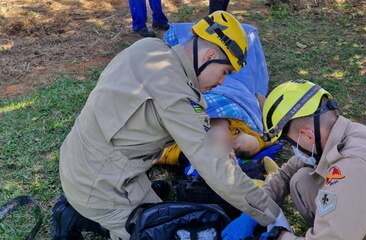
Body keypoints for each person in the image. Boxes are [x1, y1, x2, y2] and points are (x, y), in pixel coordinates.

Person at [59, 11, 287, 240]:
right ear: (208, 56)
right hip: (100, 186)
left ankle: (94, 207)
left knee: (161, 211)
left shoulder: (148, 47)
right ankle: (88, 214)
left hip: (77, 159)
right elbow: (215, 167)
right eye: (225, 72)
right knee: (163, 232)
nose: (222, 82)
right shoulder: (177, 96)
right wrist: (272, 215)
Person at [222, 80, 366, 240]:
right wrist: (254, 211)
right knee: (301, 179)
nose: (293, 149)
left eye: (290, 142)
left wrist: (277, 235)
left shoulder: (354, 170)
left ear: (306, 135)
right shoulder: (342, 134)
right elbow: (286, 174)